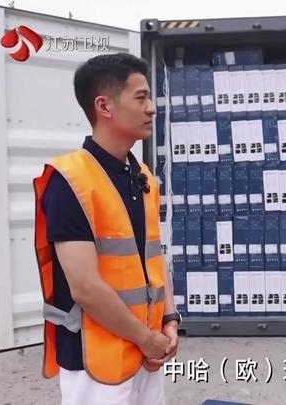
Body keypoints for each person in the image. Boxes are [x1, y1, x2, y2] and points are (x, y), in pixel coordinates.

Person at [32, 52, 181, 405]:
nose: (152, 109)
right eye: (141, 98)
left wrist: (170, 320)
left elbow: (154, 257)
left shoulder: (143, 177)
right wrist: (146, 338)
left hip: (148, 353)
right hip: (96, 362)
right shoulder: (70, 181)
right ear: (104, 106)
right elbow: (85, 287)